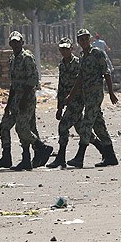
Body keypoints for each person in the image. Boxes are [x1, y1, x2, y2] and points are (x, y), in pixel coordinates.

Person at [0, 31, 53, 171]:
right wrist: (8, 104)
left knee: (22, 128)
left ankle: (38, 150)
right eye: (12, 42)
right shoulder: (12, 59)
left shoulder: (27, 57)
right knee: (5, 126)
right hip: (15, 98)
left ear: (22, 42)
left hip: (26, 98)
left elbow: (33, 80)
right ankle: (7, 157)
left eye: (17, 42)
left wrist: (24, 99)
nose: (15, 44)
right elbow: (13, 83)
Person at [65, 29, 118, 168]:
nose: (83, 42)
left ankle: (80, 156)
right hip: (86, 94)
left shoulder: (97, 53)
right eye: (81, 40)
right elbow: (80, 77)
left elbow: (106, 73)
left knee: (87, 123)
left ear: (90, 40)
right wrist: (71, 95)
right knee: (98, 124)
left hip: (95, 93)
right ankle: (110, 156)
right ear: (78, 42)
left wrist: (111, 92)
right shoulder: (82, 55)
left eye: (85, 39)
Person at [47, 37, 82, 169]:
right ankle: (105, 150)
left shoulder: (78, 63)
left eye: (66, 49)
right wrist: (59, 107)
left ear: (71, 49)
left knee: (63, 127)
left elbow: (80, 82)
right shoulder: (62, 64)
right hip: (67, 101)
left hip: (77, 100)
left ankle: (60, 157)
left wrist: (72, 96)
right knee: (83, 131)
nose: (64, 51)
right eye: (62, 49)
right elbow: (61, 86)